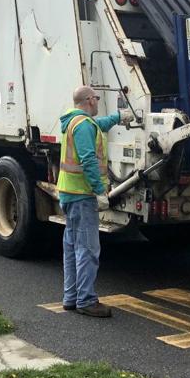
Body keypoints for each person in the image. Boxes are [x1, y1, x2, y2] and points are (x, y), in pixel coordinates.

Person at [56, 85, 132, 317]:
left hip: (70, 194)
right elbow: (88, 158)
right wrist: (100, 191)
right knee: (87, 248)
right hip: (82, 195)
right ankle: (86, 300)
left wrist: (119, 117)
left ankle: (71, 297)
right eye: (97, 98)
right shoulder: (83, 127)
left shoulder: (76, 121)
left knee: (71, 247)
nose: (98, 101)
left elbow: (100, 125)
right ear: (90, 100)